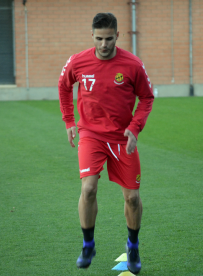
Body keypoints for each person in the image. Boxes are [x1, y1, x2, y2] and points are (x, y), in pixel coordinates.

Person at [58, 13, 154, 274]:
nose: (103, 44)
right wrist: (69, 120)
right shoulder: (78, 62)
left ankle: (133, 246)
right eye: (99, 39)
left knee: (132, 198)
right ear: (92, 36)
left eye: (109, 39)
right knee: (88, 189)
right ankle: (88, 243)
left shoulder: (132, 64)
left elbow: (147, 98)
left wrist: (135, 128)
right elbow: (63, 86)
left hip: (122, 138)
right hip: (91, 134)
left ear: (117, 36)